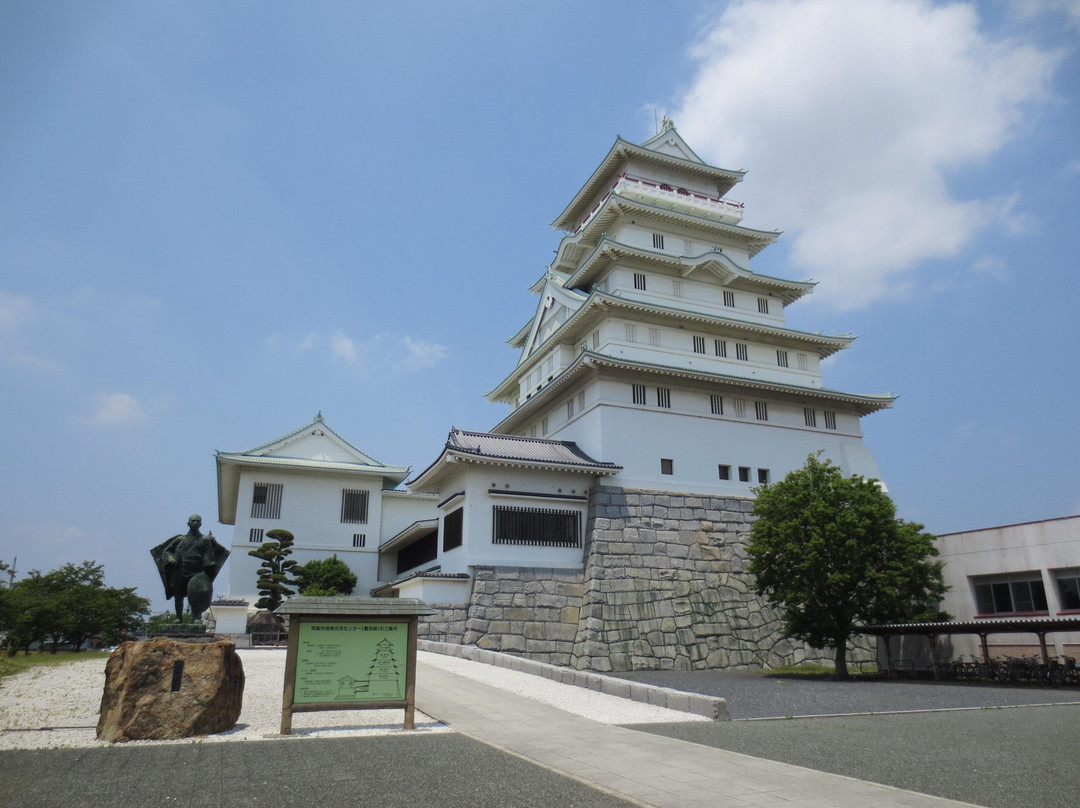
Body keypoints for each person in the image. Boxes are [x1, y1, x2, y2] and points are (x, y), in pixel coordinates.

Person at [151, 514, 230, 620]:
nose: (195, 523)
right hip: (180, 570)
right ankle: (178, 618)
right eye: (193, 521)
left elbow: (214, 554)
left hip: (196, 571)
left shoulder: (205, 540)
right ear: (188, 523)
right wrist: (171, 560)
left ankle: (196, 618)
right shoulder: (180, 539)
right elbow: (167, 551)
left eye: (197, 521)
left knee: (196, 594)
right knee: (178, 596)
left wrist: (213, 543)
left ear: (201, 524)